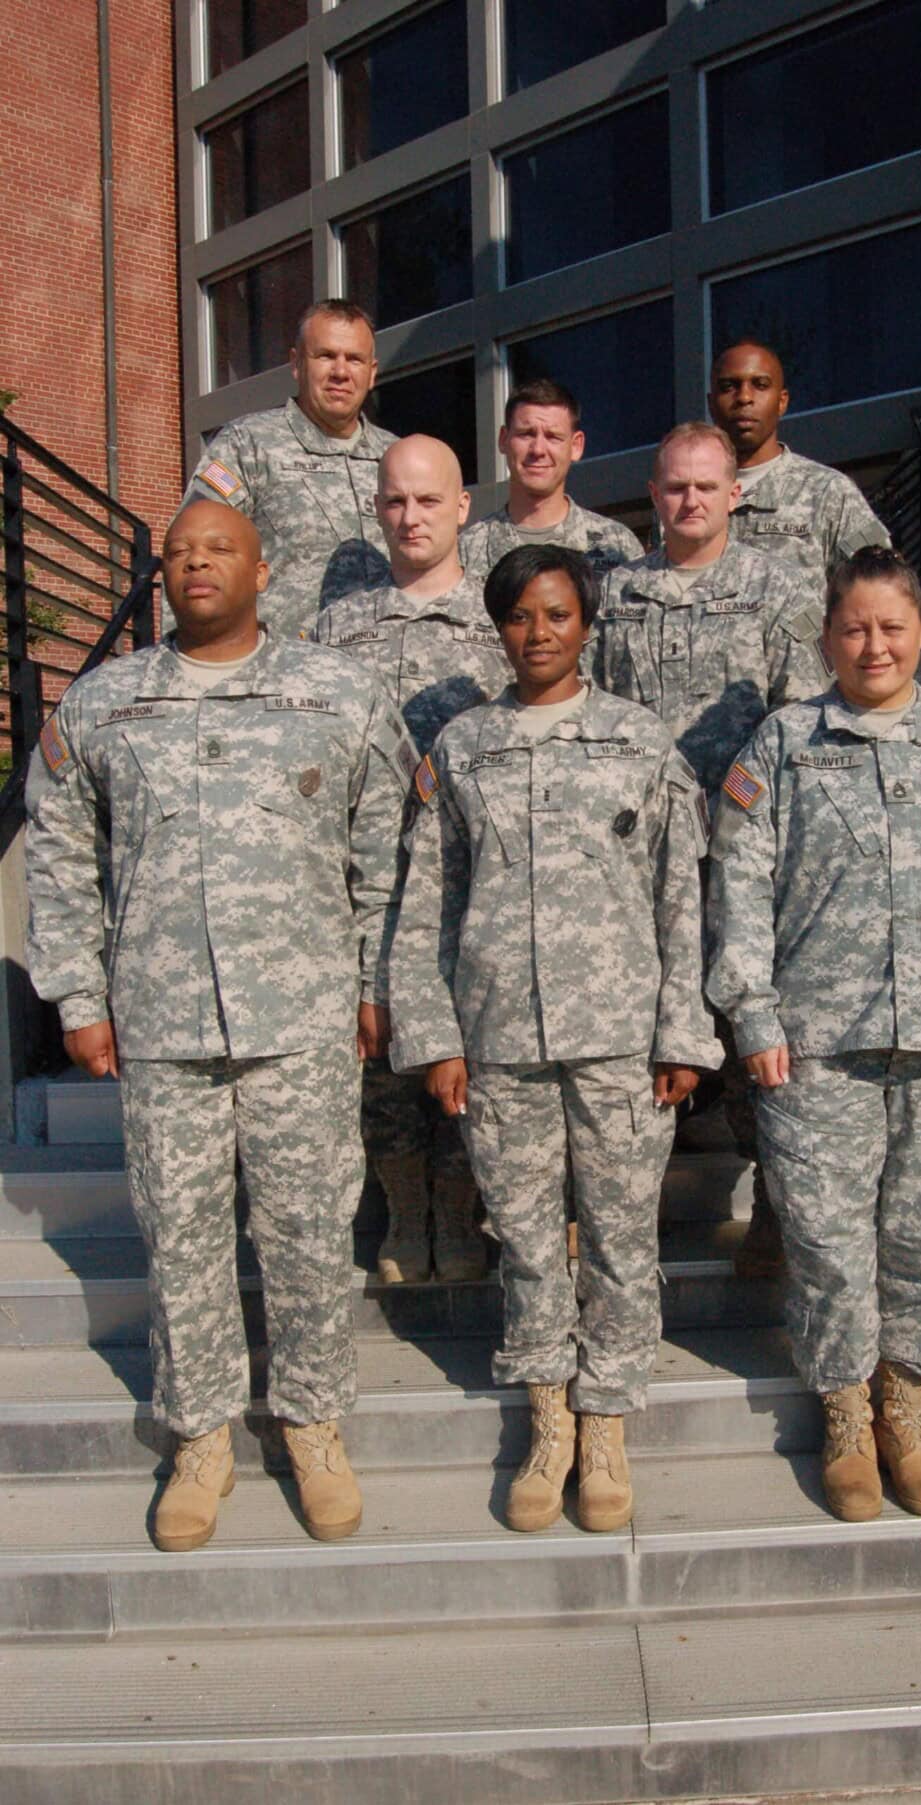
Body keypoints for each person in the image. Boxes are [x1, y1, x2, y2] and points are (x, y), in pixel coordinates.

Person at [24, 500, 415, 1553]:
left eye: (219, 548)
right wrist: (78, 996)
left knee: (306, 1229)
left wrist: (380, 983)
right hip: (161, 1021)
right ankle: (201, 1433)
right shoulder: (105, 705)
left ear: (263, 566)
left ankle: (311, 1420)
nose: (196, 564)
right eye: (179, 551)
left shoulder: (337, 692)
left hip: (304, 1019)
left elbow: (388, 852)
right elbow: (60, 855)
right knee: (182, 1230)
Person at [706, 546, 921, 1523]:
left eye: (891, 626)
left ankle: (905, 1407)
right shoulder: (783, 744)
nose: (874, 644)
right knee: (825, 1243)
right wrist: (754, 1013)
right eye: (855, 626)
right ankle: (846, 1417)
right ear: (828, 635)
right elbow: (736, 888)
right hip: (817, 1047)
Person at [391, 545, 720, 1533]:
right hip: (500, 1037)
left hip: (621, 1037)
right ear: (499, 628)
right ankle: (549, 1417)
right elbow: (427, 904)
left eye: (557, 615)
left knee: (620, 1237)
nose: (538, 633)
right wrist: (435, 1033)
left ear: (585, 624)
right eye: (520, 617)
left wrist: (684, 1029)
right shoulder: (462, 746)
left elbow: (681, 897)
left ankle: (607, 1415)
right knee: (530, 1240)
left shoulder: (640, 740)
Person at [593, 421, 828, 1276]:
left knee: (749, 1024)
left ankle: (773, 1203)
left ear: (736, 493)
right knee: (638, 1026)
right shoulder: (618, 593)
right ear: (653, 496)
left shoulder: (775, 589)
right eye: (673, 487)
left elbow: (799, 722)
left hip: (740, 854)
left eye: (704, 486)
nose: (688, 501)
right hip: (640, 856)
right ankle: (619, 1210)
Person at [314, 435, 509, 1284]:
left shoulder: (504, 621)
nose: (410, 517)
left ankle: (462, 1207)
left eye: (428, 500)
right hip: (371, 876)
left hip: (478, 878)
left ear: (463, 506)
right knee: (381, 1049)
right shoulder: (333, 629)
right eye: (394, 501)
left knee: (478, 1039)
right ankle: (402, 1207)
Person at [183, 300, 395, 639]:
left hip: (382, 677)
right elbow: (191, 554)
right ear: (296, 363)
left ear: (371, 373)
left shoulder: (397, 458)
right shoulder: (248, 445)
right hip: (281, 680)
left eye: (354, 359)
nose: (340, 372)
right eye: (325, 356)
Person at [708, 338, 890, 582]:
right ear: (711, 403)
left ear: (782, 402)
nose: (744, 397)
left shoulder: (828, 493)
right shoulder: (682, 498)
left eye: (760, 385)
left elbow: (880, 588)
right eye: (729, 386)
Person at [458, 378, 643, 580]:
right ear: (503, 440)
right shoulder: (468, 552)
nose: (538, 449)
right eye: (526, 434)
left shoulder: (616, 546)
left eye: (553, 436)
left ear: (576, 446)